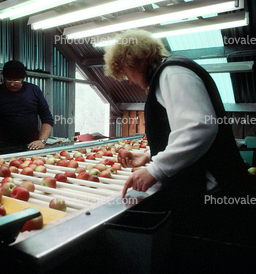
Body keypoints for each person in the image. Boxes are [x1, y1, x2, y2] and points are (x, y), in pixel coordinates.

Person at [104, 30, 248, 219]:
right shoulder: (169, 74)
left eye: (126, 73)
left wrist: (155, 169)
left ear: (135, 61)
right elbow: (182, 129)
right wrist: (149, 156)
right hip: (206, 189)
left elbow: (199, 127)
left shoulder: (172, 74)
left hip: (215, 194)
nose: (129, 81)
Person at [0, 60, 54, 151]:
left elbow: (47, 118)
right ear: (3, 78)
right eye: (8, 79)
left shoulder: (34, 91)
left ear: (23, 79)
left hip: (32, 145)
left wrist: (42, 141)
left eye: (16, 80)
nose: (12, 84)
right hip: (5, 146)